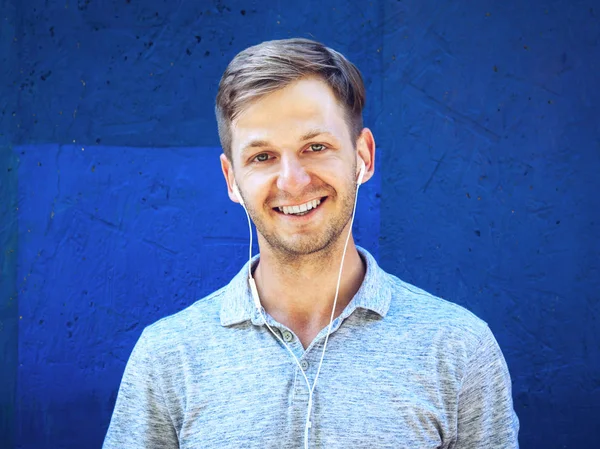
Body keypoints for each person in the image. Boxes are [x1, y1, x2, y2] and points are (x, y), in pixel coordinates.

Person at [103, 38, 520, 448]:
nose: (293, 181)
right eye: (262, 157)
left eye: (315, 147)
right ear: (232, 179)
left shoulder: (458, 348)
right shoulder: (168, 356)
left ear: (363, 158)